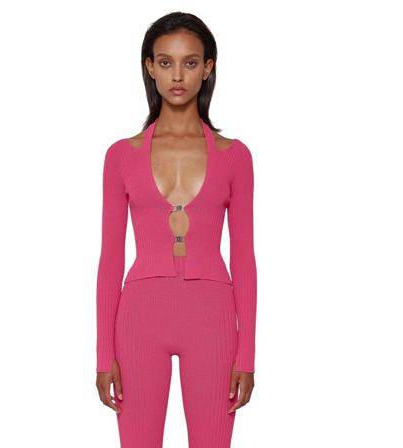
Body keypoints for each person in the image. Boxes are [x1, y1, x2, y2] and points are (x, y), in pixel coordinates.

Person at [95, 11, 257, 448]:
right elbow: (111, 258)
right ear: (149, 67)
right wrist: (103, 354)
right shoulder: (120, 156)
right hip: (139, 319)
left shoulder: (235, 156)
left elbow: (244, 257)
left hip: (213, 318)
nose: (178, 75)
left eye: (190, 62)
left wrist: (246, 354)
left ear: (208, 67)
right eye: (165, 62)